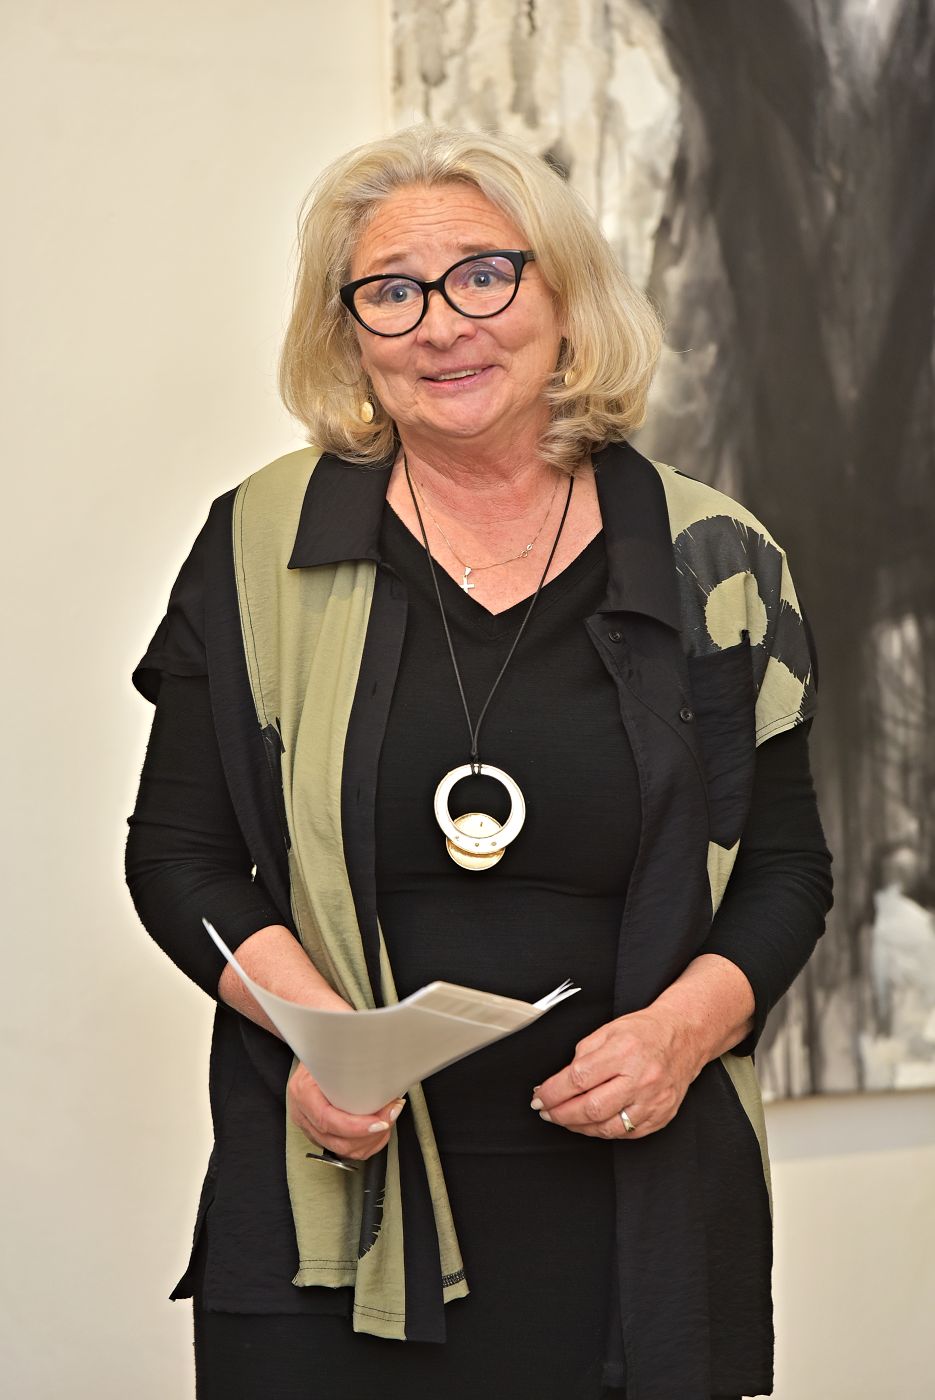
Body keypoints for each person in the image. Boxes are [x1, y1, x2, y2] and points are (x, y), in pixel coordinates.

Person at [126, 125, 833, 1400]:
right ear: (349, 334)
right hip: (331, 1210)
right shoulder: (258, 541)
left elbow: (784, 868)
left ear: (565, 299)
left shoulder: (712, 554)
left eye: (483, 276)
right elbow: (177, 853)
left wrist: (679, 1034)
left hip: (629, 1210)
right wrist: (319, 1036)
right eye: (390, 292)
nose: (440, 324)